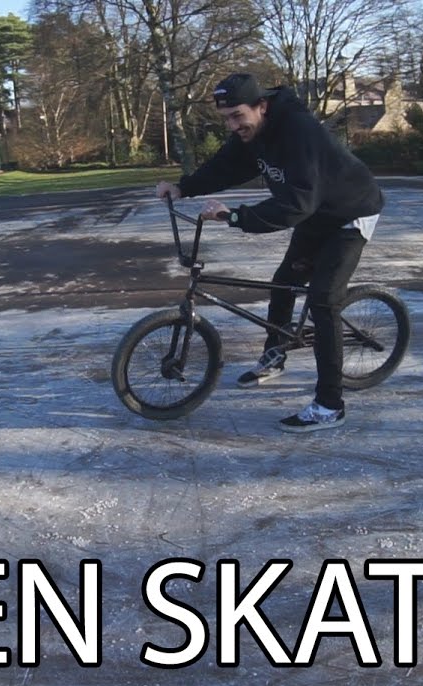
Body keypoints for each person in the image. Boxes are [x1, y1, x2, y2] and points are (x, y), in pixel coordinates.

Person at [155, 72, 384, 433]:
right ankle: (274, 355)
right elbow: (226, 166)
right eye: (226, 118)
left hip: (349, 215)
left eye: (237, 116)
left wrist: (234, 216)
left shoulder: (299, 132)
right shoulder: (252, 134)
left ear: (261, 106)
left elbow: (295, 205)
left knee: (324, 300)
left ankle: (330, 405)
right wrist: (184, 188)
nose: (233, 125)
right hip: (315, 212)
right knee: (284, 283)